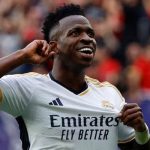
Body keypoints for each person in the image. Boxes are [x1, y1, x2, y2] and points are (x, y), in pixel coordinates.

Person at [0, 3, 150, 150]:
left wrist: (141, 130)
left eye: (90, 33)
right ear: (54, 46)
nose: (87, 38)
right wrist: (22, 55)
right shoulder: (28, 88)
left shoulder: (110, 94)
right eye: (75, 33)